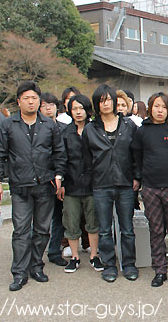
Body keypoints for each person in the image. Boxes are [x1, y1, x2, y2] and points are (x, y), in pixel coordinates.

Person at [0, 81, 67, 291]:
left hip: (45, 184)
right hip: (20, 185)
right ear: (19, 101)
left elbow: (59, 153)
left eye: (34, 98)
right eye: (26, 98)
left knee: (42, 230)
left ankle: (36, 266)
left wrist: (59, 176)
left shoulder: (49, 125)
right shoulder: (8, 125)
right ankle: (19, 272)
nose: (30, 101)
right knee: (21, 230)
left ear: (39, 101)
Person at [83, 84, 140, 283]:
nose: (105, 104)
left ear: (115, 102)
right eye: (101, 101)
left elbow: (135, 154)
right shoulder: (90, 129)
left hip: (125, 182)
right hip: (101, 184)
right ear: (96, 104)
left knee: (127, 228)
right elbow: (86, 159)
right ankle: (109, 265)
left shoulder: (128, 125)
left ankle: (129, 264)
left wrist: (137, 177)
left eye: (108, 100)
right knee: (105, 229)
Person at [132, 93, 168, 287]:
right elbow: (137, 156)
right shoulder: (142, 131)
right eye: (156, 106)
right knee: (156, 230)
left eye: (164, 107)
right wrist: (142, 177)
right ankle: (160, 271)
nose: (160, 110)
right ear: (150, 108)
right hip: (150, 188)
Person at [59, 94, 103, 274]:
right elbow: (60, 158)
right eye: (74, 108)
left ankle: (94, 255)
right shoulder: (64, 133)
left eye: (81, 108)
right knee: (71, 222)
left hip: (93, 184)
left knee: (93, 222)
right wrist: (60, 181)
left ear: (87, 110)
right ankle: (75, 257)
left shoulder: (95, 129)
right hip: (71, 185)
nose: (78, 112)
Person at [40, 92, 68, 267]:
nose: (48, 108)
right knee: (40, 219)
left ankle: (54, 251)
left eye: (51, 105)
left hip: (59, 177)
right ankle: (33, 253)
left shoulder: (65, 128)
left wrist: (62, 178)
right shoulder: (36, 129)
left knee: (59, 217)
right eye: (44, 105)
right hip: (41, 178)